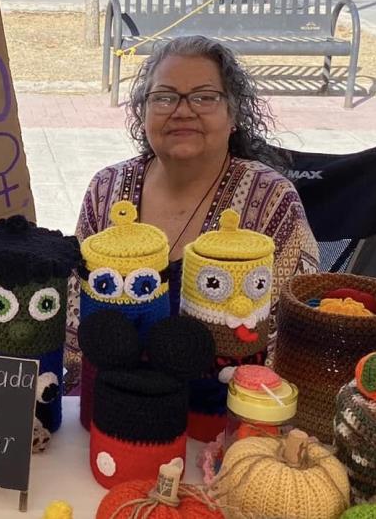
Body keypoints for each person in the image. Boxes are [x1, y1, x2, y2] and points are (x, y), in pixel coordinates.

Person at [68, 36, 319, 385]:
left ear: (233, 114)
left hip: (225, 418)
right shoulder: (106, 189)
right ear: (143, 115)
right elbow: (76, 319)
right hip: (111, 408)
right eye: (164, 97)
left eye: (204, 97)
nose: (182, 110)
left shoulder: (271, 200)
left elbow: (291, 336)